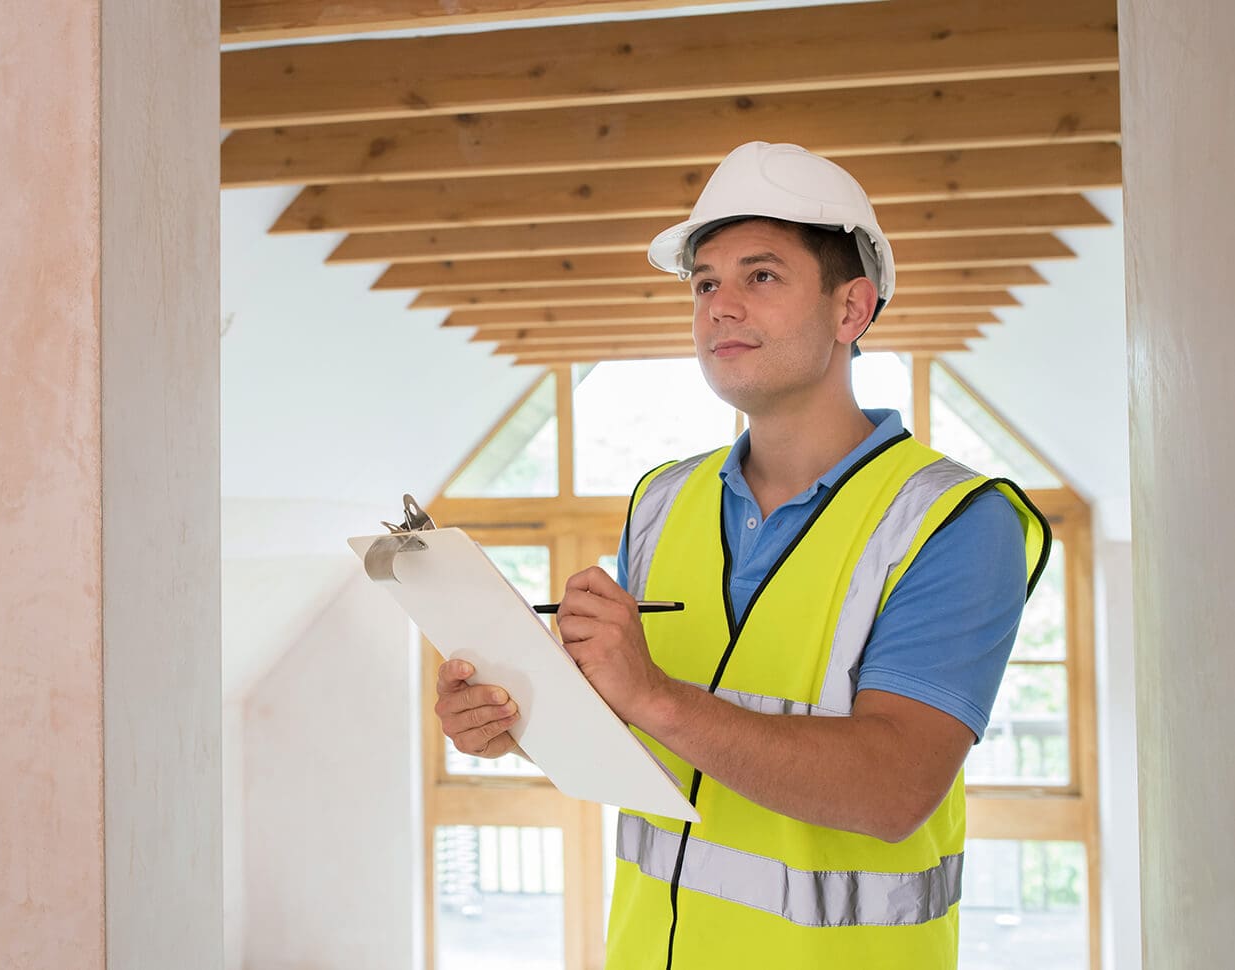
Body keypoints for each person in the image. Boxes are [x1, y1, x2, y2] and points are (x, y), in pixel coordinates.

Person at [433, 141, 1050, 969]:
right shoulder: (662, 501)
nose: (719, 306)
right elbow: (649, 742)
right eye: (704, 283)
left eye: (760, 276)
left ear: (850, 310)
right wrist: (521, 721)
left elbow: (893, 788)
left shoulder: (951, 521)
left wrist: (650, 694)